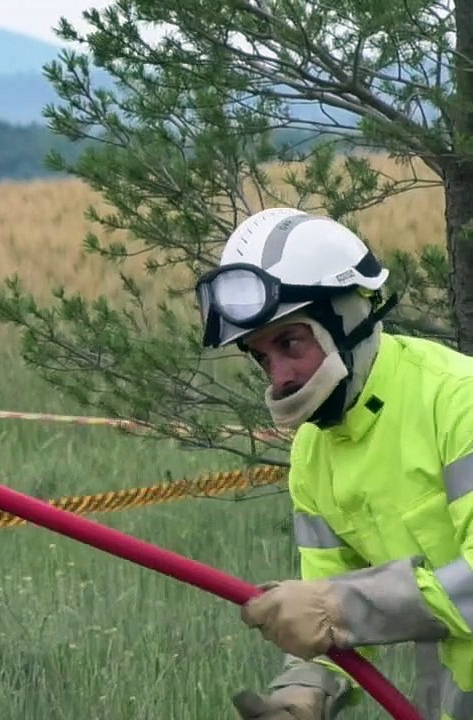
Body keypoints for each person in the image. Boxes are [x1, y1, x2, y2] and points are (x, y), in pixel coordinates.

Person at [195, 207, 473, 720]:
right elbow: (327, 615)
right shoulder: (312, 452)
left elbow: (336, 608)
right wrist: (303, 690)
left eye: (290, 343)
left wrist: (342, 608)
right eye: (262, 357)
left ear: (347, 321)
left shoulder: (459, 401)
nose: (279, 377)